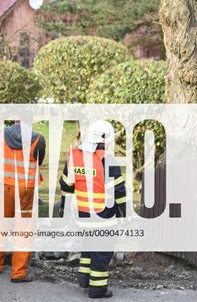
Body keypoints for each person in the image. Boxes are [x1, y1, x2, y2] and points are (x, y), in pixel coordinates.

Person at [59, 121, 126, 299]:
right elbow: (119, 191)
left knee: (88, 247)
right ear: (106, 139)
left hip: (83, 216)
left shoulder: (75, 156)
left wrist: (63, 211)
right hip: (103, 217)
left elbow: (66, 185)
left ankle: (84, 280)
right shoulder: (107, 159)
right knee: (102, 252)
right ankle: (97, 289)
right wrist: (125, 214)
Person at [0, 121, 46, 283]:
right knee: (24, 228)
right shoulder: (38, 139)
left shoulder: (1, 135)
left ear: (15, 120)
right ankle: (18, 273)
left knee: (0, 224)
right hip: (25, 189)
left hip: (4, 185)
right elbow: (39, 160)